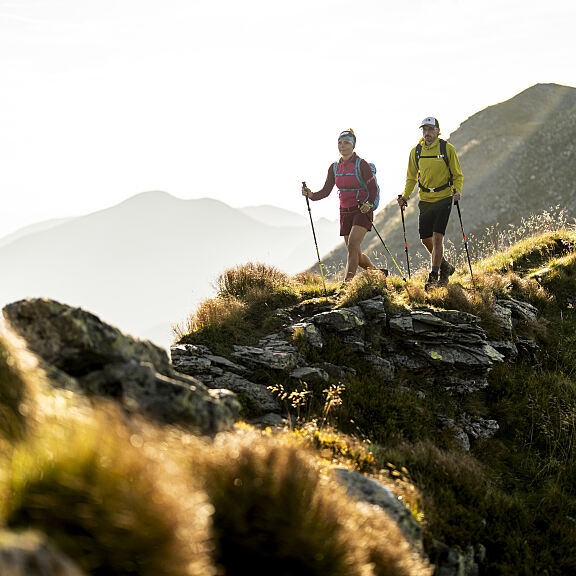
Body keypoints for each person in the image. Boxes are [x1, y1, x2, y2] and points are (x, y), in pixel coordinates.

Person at [302, 129, 381, 286]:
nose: (342, 146)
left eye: (346, 143)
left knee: (352, 245)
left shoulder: (362, 164)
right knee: (356, 255)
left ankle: (347, 285)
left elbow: (373, 189)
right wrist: (310, 194)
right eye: (340, 143)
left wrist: (369, 204)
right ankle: (378, 275)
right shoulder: (334, 167)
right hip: (345, 211)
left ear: (353, 145)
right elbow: (325, 191)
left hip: (362, 210)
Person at [397, 117, 463, 289]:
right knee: (425, 239)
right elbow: (411, 178)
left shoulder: (447, 148)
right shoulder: (416, 152)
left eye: (430, 129)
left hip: (444, 198)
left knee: (437, 237)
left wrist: (457, 190)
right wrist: (405, 197)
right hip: (425, 199)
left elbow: (457, 174)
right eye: (424, 130)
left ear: (438, 131)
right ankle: (446, 266)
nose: (427, 133)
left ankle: (435, 276)